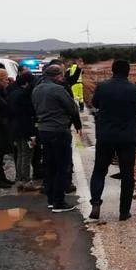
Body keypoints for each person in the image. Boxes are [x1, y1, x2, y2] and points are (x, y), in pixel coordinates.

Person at [89, 59, 136, 221]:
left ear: (112, 70)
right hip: (126, 137)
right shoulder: (134, 89)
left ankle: (96, 203)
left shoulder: (102, 87)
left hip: (105, 136)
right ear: (128, 71)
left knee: (99, 170)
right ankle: (124, 212)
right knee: (127, 175)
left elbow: (95, 103)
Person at [32, 65, 82, 212]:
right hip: (59, 130)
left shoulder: (37, 89)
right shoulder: (58, 89)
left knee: (49, 165)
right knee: (62, 166)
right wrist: (76, 123)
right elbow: (72, 108)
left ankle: (51, 199)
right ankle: (59, 202)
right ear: (58, 76)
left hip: (44, 131)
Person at [7, 71, 37, 189]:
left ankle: (19, 179)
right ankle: (26, 180)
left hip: (15, 129)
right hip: (26, 129)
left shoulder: (13, 93)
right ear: (27, 83)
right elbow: (28, 115)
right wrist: (32, 134)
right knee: (26, 155)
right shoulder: (25, 96)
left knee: (20, 154)